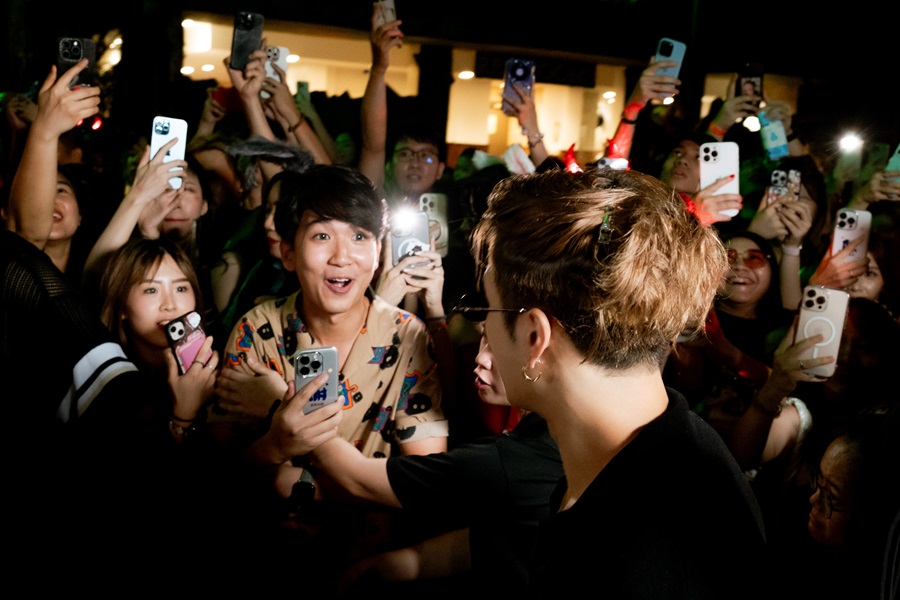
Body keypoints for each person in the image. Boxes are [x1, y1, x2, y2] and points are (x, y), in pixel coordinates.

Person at [469, 166, 770, 597]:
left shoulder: (633, 559)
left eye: (490, 310)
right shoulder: (662, 447)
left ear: (535, 337)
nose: (486, 333)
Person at [267, 333, 563, 596]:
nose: (480, 357)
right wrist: (368, 570)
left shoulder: (507, 462)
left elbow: (358, 479)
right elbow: (482, 545)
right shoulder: (551, 436)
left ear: (537, 340)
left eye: (496, 344)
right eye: (481, 337)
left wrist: (274, 397)